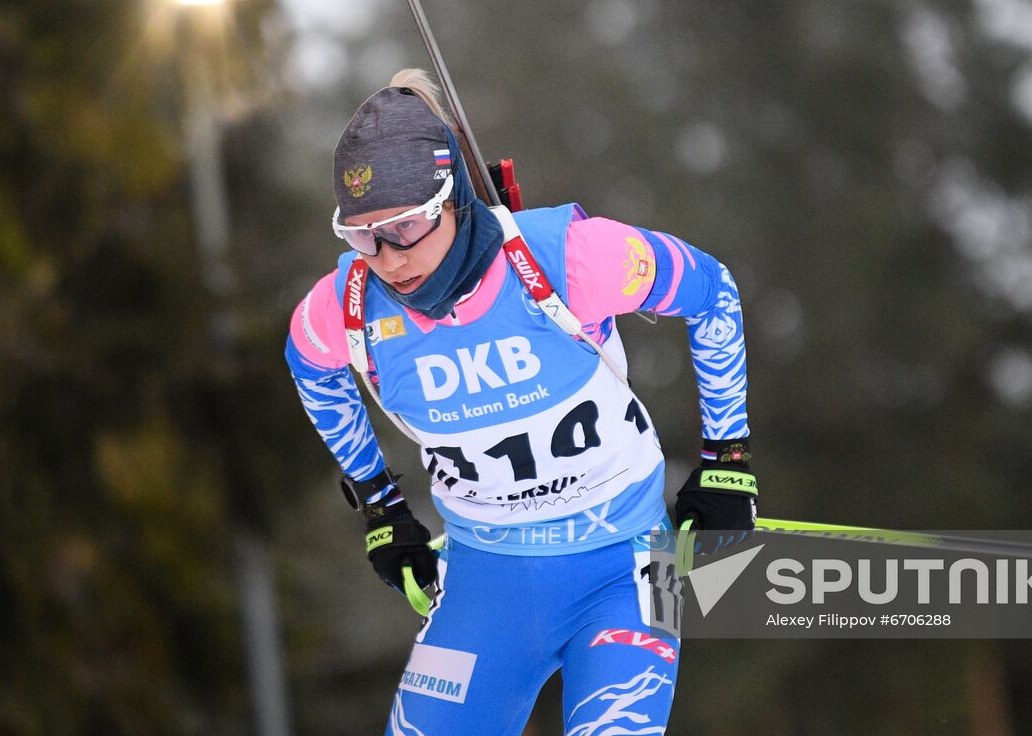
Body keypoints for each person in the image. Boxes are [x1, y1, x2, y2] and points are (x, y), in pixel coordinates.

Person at [285, 69, 757, 736]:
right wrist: (381, 504)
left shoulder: (566, 258)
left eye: (406, 225)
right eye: (362, 235)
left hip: (624, 568)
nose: (388, 258)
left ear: (453, 198)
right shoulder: (347, 307)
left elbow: (714, 292)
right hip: (484, 584)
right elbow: (308, 364)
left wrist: (726, 456)